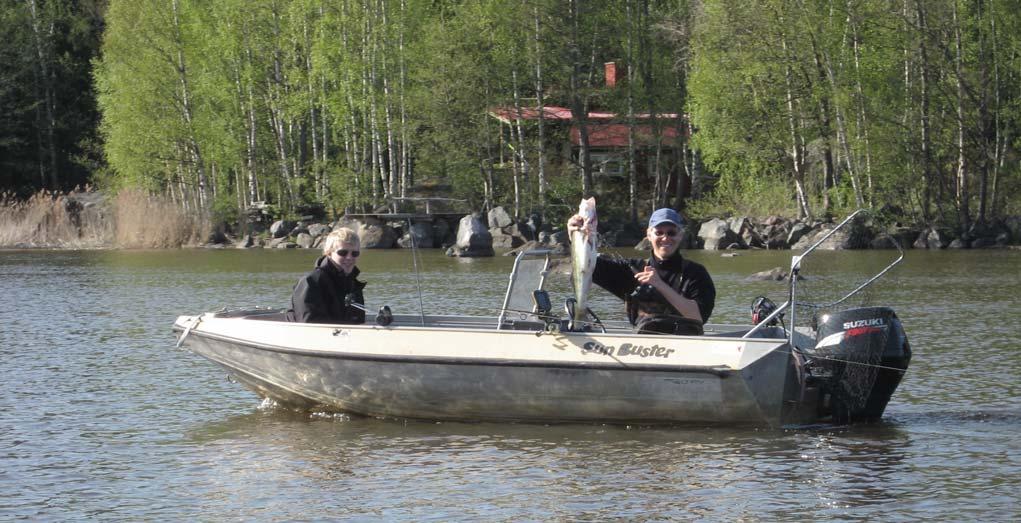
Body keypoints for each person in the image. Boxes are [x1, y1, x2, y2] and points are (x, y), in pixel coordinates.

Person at [567, 208, 715, 335]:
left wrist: (659, 285)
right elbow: (586, 266)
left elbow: (698, 317)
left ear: (680, 235)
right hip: (643, 347)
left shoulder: (695, 273)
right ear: (649, 235)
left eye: (671, 233)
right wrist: (575, 236)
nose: (665, 238)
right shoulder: (632, 268)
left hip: (685, 347)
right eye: (659, 232)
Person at [286, 228, 366, 324]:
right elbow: (308, 324)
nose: (349, 257)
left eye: (355, 253)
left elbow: (359, 321)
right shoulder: (311, 282)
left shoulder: (353, 284)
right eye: (343, 253)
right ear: (329, 253)